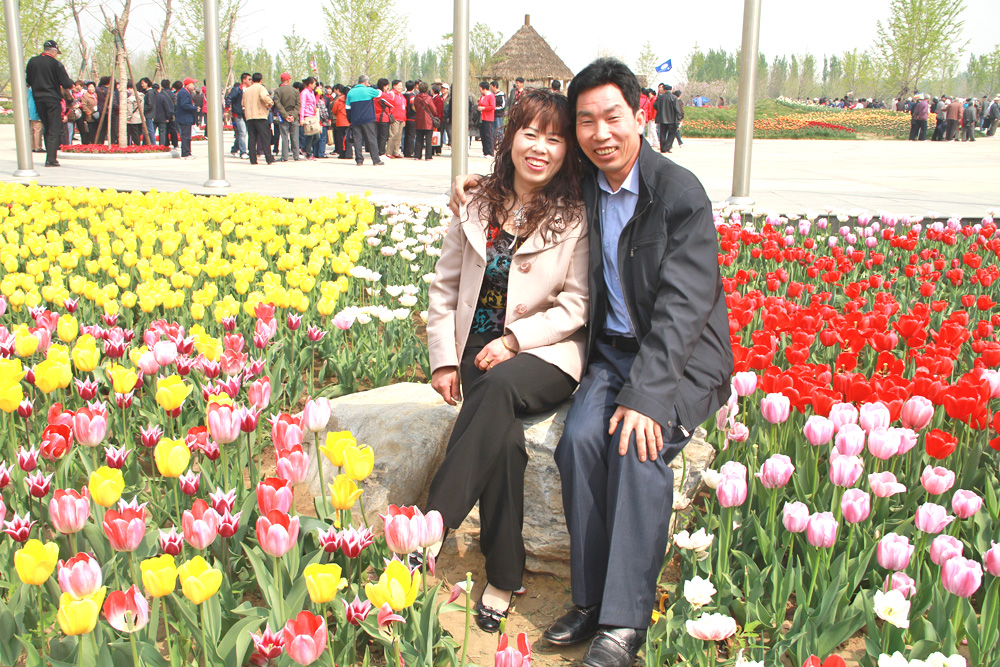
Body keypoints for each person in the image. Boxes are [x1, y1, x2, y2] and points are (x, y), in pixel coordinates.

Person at [450, 58, 733, 667]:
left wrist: (647, 397)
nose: (600, 133)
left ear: (640, 115)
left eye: (612, 117)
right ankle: (590, 598)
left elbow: (683, 309)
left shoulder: (677, 194)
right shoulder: (585, 185)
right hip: (610, 353)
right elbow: (526, 179)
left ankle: (624, 622)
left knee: (636, 445)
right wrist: (476, 185)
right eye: (586, 121)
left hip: (682, 359)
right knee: (579, 440)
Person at [426, 87, 589, 635]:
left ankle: (431, 527)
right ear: (510, 138)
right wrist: (444, 360)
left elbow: (577, 305)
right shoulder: (475, 205)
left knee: (498, 389)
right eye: (530, 133)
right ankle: (503, 576)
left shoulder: (575, 216)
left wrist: (516, 340)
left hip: (547, 351)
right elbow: (445, 287)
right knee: (504, 442)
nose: (540, 147)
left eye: (555, 139)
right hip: (477, 348)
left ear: (567, 151)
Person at [25, 39, 75, 166]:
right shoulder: (56, 64)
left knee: (46, 127)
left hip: (38, 99)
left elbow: (28, 81)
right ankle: (51, 159)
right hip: (52, 99)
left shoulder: (32, 62)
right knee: (54, 128)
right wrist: (71, 84)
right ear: (53, 51)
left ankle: (50, 155)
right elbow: (66, 83)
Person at [345, 74, 384, 166]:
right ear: (366, 82)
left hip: (355, 119)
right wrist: (372, 86)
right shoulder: (369, 90)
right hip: (368, 119)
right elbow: (380, 93)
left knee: (357, 140)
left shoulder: (350, 92)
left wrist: (350, 119)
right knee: (371, 139)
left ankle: (359, 160)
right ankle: (375, 160)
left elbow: (348, 108)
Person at [242, 73, 274, 164]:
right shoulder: (261, 88)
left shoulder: (247, 90)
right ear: (261, 80)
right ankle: (269, 158)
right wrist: (270, 103)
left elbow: (243, 103)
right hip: (260, 116)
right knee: (265, 138)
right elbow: (264, 97)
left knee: (252, 138)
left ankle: (253, 159)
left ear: (252, 80)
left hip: (249, 116)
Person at [274, 72, 301, 161]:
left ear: (281, 80)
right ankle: (296, 156)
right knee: (295, 137)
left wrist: (285, 115)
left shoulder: (277, 91)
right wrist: (293, 115)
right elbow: (298, 104)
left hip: (283, 117)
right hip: (294, 117)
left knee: (284, 137)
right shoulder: (295, 91)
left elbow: (278, 105)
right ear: (289, 80)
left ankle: (284, 156)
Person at [226, 72, 251, 158]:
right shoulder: (237, 89)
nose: (250, 81)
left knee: (242, 133)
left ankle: (234, 148)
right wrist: (227, 109)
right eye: (249, 79)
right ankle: (243, 152)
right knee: (242, 132)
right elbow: (229, 98)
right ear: (244, 80)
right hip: (238, 114)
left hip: (247, 114)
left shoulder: (250, 90)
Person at [413, 81, 438, 161]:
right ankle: (428, 156)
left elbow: (415, 107)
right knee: (428, 139)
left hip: (418, 120)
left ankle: (417, 155)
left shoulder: (416, 98)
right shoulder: (429, 98)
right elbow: (434, 110)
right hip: (428, 121)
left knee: (419, 139)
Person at [176, 77, 199, 159]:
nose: (194, 86)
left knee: (187, 136)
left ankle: (188, 152)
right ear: (188, 85)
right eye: (193, 84)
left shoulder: (185, 92)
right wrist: (194, 108)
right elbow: (184, 105)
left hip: (186, 117)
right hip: (185, 117)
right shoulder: (184, 93)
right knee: (186, 137)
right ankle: (185, 153)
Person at [653, 83, 679, 153]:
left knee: (662, 133)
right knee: (672, 133)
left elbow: (655, 105)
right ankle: (667, 147)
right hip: (672, 119)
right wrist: (679, 117)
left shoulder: (660, 97)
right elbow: (677, 108)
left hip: (662, 118)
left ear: (664, 89)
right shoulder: (674, 97)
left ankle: (663, 148)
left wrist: (660, 110)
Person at [299, 77, 320, 161]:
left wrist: (318, 95)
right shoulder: (304, 93)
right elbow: (302, 105)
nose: (315, 85)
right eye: (314, 83)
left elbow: (314, 103)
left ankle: (305, 149)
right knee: (310, 136)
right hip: (307, 115)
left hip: (313, 115)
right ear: (310, 84)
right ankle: (308, 153)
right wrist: (301, 118)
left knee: (317, 136)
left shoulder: (311, 92)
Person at [375, 78, 395, 157]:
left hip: (375, 117)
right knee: (384, 136)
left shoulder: (374, 94)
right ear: (383, 86)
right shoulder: (384, 95)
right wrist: (389, 94)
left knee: (377, 135)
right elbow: (392, 103)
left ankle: (376, 151)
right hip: (384, 117)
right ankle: (382, 152)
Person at [477, 81, 496, 156]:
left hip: (488, 118)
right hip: (482, 118)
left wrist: (484, 108)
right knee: (483, 135)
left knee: (488, 136)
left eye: (480, 89)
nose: (480, 90)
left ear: (484, 88)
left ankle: (490, 152)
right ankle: (485, 152)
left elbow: (492, 106)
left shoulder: (491, 96)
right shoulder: (482, 96)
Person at [332, 85, 350, 159]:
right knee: (348, 138)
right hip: (349, 121)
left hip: (340, 121)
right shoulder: (350, 100)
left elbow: (334, 111)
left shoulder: (338, 100)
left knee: (341, 138)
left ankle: (342, 153)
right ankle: (349, 153)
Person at [491, 80, 506, 146]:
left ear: (495, 86)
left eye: (491, 86)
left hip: (499, 115)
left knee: (499, 130)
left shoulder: (501, 95)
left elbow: (503, 105)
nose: (490, 88)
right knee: (493, 130)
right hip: (492, 115)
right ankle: (493, 144)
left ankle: (500, 144)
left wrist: (495, 108)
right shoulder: (492, 95)